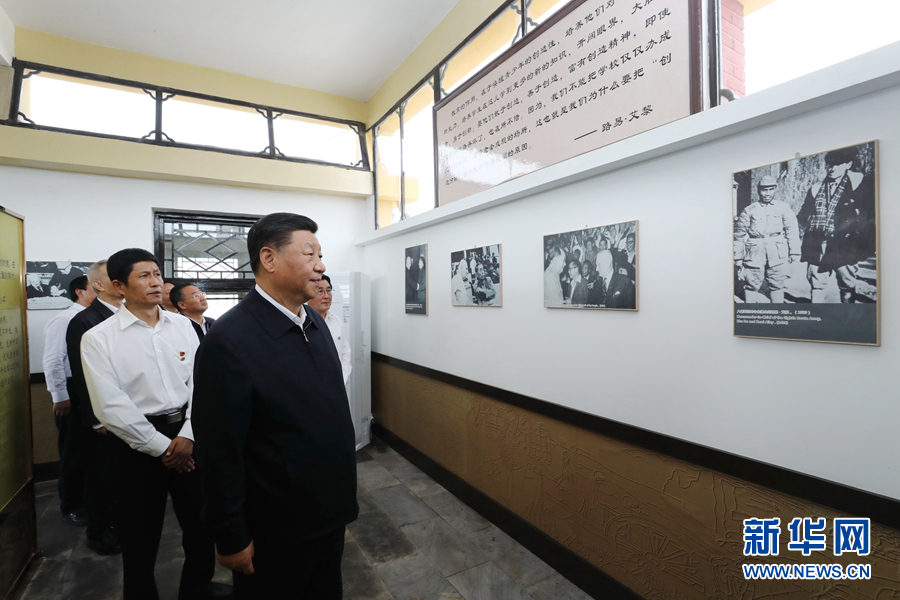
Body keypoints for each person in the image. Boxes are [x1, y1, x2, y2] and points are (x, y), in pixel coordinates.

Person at [192, 213, 358, 600]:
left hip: (328, 511)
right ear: (269, 258)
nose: (321, 266)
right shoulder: (230, 340)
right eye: (309, 254)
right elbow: (219, 450)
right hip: (278, 524)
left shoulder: (313, 322)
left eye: (320, 255)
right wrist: (231, 535)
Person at [81, 249, 224, 600]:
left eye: (157, 274)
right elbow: (110, 405)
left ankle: (197, 589)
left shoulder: (183, 326)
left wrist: (188, 435)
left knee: (201, 525)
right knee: (139, 534)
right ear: (119, 286)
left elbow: (202, 383)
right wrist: (163, 448)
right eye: (144, 276)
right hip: (135, 445)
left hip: (188, 434)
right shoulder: (99, 337)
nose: (156, 282)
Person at [66, 260, 124, 555]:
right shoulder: (85, 320)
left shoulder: (130, 314)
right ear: (98, 284)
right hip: (102, 414)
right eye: (115, 277)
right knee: (101, 476)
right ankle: (100, 532)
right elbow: (82, 375)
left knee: (123, 477)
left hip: (129, 411)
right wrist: (95, 418)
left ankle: (121, 525)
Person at [42, 274, 96, 527]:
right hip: (70, 388)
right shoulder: (65, 319)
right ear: (79, 292)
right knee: (73, 449)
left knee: (90, 450)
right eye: (94, 287)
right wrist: (60, 395)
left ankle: (89, 501)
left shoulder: (94, 317)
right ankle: (72, 506)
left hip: (89, 386)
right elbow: (53, 359)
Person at [797, 148, 874, 303]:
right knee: (817, 284)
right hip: (818, 244)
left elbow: (869, 217)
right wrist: (815, 221)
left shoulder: (858, 187)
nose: (832, 168)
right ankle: (817, 315)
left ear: (848, 164)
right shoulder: (816, 189)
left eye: (837, 164)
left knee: (847, 285)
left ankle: (847, 316)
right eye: (830, 164)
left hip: (845, 245)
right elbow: (802, 216)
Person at [734, 176, 800, 303]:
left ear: (775, 190)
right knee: (751, 284)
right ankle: (751, 311)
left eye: (771, 189)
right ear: (759, 191)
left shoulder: (783, 207)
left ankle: (777, 311)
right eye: (764, 190)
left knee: (777, 285)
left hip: (777, 252)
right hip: (754, 253)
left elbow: (792, 230)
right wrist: (738, 257)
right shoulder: (749, 210)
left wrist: (794, 252)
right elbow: (738, 235)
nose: (767, 193)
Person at [307, 274, 352, 385]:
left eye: (328, 291)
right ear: (308, 295)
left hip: (337, 384)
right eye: (320, 291)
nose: (326, 296)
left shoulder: (336, 321)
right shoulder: (301, 322)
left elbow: (345, 353)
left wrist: (342, 379)